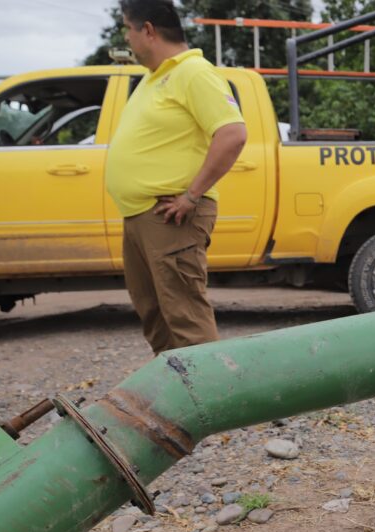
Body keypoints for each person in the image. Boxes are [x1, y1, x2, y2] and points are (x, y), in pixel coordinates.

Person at [106, 0, 247, 354]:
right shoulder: (154, 78)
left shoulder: (193, 72)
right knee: (156, 318)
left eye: (128, 28)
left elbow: (232, 133)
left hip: (172, 215)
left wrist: (192, 196)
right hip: (143, 216)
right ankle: (177, 403)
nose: (127, 37)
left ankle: (214, 405)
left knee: (186, 321)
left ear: (148, 30)